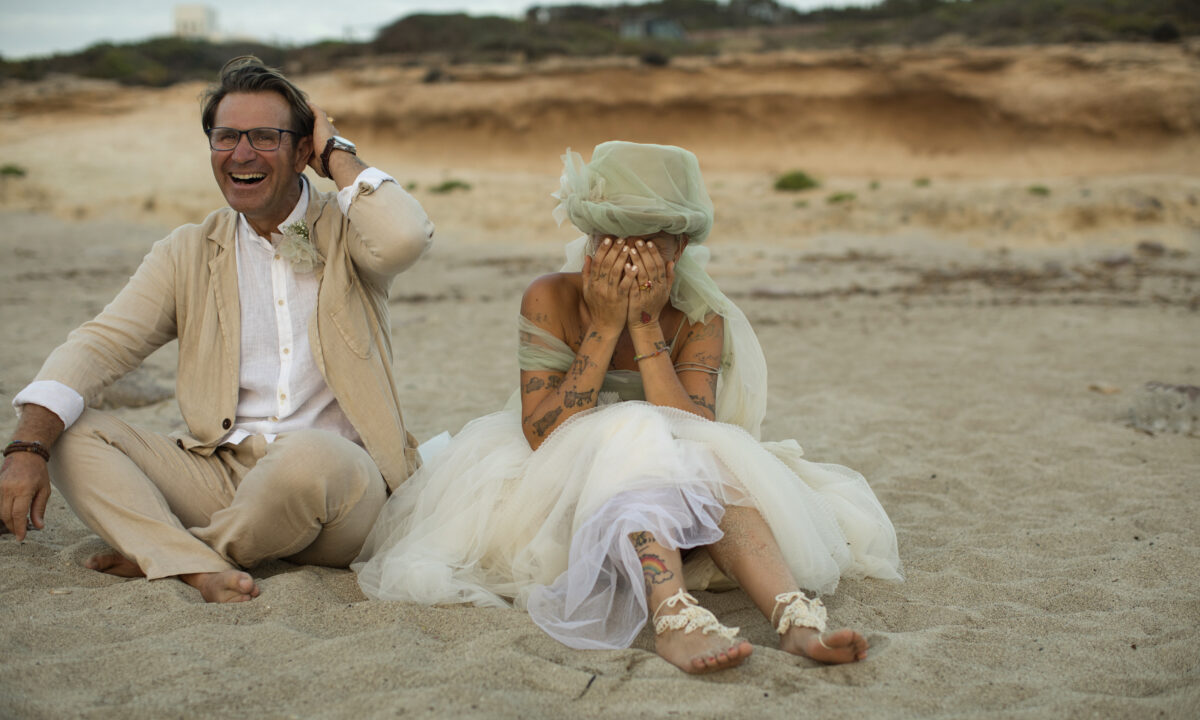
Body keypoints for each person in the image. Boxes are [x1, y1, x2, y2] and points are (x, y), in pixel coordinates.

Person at [354, 141, 901, 673]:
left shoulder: (700, 315)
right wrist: (605, 324)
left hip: (683, 496)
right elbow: (545, 433)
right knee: (633, 426)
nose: (628, 261)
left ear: (679, 249)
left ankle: (796, 620)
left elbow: (696, 428)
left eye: (647, 245)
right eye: (613, 242)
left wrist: (642, 326)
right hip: (560, 496)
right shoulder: (551, 296)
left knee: (706, 459)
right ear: (591, 240)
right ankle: (673, 616)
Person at [0, 56, 434, 603]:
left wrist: (337, 152)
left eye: (264, 137)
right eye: (225, 137)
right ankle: (197, 558)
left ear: (303, 151)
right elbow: (101, 342)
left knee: (309, 456)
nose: (242, 154)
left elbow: (405, 237)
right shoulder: (188, 249)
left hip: (342, 492)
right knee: (69, 432)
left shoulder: (350, 229)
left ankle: (184, 555)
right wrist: (26, 448)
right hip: (224, 478)